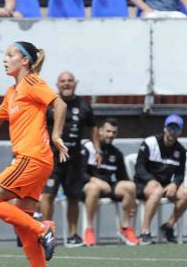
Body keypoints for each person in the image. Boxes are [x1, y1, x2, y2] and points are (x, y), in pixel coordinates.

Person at [0, 41, 68, 265]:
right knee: (22, 225)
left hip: (31, 157)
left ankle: (42, 227)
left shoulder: (31, 81)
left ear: (25, 60)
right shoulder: (12, 91)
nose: (5, 59)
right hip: (36, 160)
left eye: (10, 55)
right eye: (5, 55)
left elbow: (60, 104)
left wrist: (56, 135)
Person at [39, 71, 100, 247]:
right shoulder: (49, 103)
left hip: (74, 159)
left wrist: (97, 150)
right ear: (57, 84)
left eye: (70, 81)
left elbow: (93, 126)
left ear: (75, 83)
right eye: (63, 81)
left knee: (73, 196)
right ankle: (47, 234)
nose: (66, 84)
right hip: (52, 158)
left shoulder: (83, 105)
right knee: (48, 195)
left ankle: (73, 235)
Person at [81, 118, 139, 247]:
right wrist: (96, 181)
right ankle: (89, 230)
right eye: (108, 131)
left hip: (108, 188)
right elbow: (78, 173)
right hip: (87, 188)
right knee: (93, 188)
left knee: (130, 186)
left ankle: (125, 228)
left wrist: (133, 198)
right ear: (100, 131)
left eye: (114, 132)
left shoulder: (116, 153)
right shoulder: (87, 148)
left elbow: (123, 177)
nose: (111, 135)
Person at [134, 114, 187, 245]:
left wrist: (175, 184)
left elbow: (180, 173)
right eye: (170, 128)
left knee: (185, 194)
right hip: (144, 183)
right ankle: (145, 232)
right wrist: (150, 179)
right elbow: (139, 167)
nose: (172, 132)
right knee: (156, 191)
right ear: (165, 128)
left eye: (176, 129)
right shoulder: (149, 143)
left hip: (165, 184)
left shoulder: (181, 151)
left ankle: (168, 226)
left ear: (180, 131)